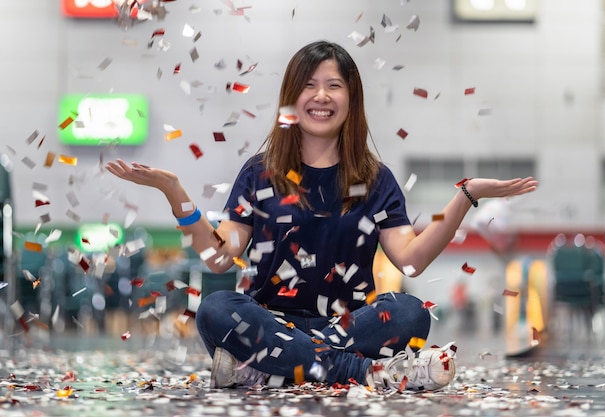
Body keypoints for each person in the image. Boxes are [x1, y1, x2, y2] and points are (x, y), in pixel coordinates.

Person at [106, 40, 538, 391]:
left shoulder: (375, 179)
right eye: (309, 85)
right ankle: (364, 372)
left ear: (352, 98)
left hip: (348, 323)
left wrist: (464, 196)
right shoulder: (260, 173)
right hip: (270, 321)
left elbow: (409, 260)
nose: (321, 96)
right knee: (216, 310)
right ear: (292, 99)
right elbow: (220, 258)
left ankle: (269, 369)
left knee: (411, 313)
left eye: (334, 85)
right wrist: (173, 191)